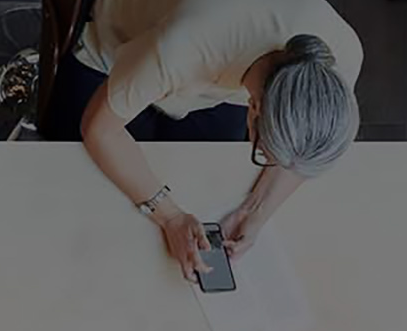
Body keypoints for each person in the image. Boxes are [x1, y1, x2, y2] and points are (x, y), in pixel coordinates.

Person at [42, 0, 362, 281]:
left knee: (199, 182)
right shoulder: (190, 43)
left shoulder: (342, 59)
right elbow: (100, 130)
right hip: (121, 50)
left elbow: (301, 159)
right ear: (256, 107)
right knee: (79, 187)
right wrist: (170, 217)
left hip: (214, 92)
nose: (273, 163)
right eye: (266, 151)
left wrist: (257, 210)